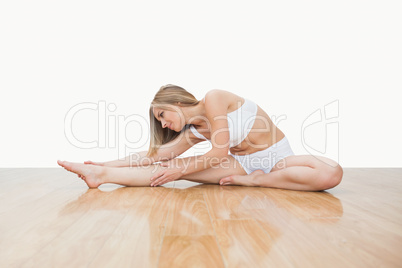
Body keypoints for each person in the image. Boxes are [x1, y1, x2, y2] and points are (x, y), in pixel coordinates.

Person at [58, 84, 343, 191]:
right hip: (242, 165)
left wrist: (180, 168)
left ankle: (258, 182)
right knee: (167, 169)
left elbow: (218, 153)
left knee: (332, 173)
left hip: (278, 158)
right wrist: (105, 163)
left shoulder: (215, 98)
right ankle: (100, 175)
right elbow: (154, 157)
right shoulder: (192, 133)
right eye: (160, 121)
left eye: (162, 115)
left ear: (177, 101)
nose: (165, 125)